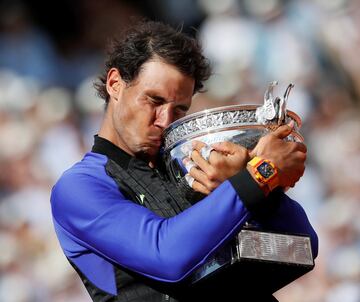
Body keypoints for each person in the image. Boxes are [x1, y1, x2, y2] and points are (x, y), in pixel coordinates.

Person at [50, 20, 318, 302]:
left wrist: (261, 187)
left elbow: (301, 246)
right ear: (115, 84)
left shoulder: (197, 166)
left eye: (179, 109)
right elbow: (166, 255)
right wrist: (258, 175)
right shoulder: (79, 187)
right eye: (154, 101)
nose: (164, 120)